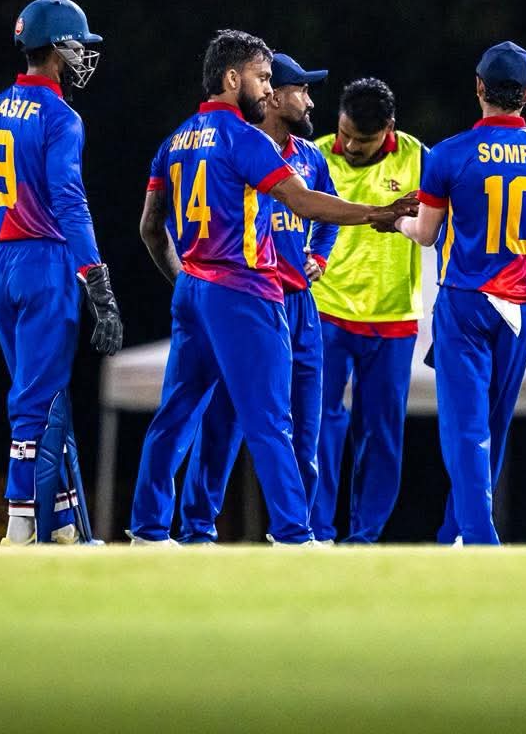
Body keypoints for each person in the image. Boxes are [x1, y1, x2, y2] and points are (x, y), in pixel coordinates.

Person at [132, 29, 414, 546]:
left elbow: (151, 228)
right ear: (231, 78)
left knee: (176, 415)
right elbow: (303, 202)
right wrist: (377, 212)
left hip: (197, 288)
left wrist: (185, 280)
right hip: (243, 290)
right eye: (262, 78)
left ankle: (149, 530)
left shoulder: (176, 139)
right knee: (268, 420)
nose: (267, 88)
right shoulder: (246, 139)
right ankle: (293, 532)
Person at [0, 0, 124, 545]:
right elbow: (69, 200)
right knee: (37, 401)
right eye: (78, 47)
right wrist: (97, 280)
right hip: (45, 262)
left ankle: (64, 523)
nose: (83, 58)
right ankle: (23, 523)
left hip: (0, 264)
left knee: (45, 393)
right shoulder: (61, 117)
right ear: (57, 49)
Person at [389, 41, 526, 545]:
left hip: (467, 297)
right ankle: (456, 533)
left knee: (465, 426)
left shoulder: (448, 154)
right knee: (495, 423)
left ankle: (479, 536)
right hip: (523, 301)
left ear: (479, 86)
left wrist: (395, 220)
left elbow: (426, 234)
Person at [177, 51, 339, 543]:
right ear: (274, 98)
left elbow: (327, 213)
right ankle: (197, 528)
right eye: (300, 90)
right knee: (223, 423)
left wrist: (320, 256)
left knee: (304, 433)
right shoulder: (239, 147)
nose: (309, 100)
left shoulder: (310, 157)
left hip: (299, 306)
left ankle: (295, 533)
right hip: (249, 299)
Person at [310, 78, 425, 544]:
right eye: (346, 134)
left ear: (389, 129)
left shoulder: (420, 159)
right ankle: (315, 533)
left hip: (393, 317)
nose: (352, 146)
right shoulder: (315, 155)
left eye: (365, 139)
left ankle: (364, 538)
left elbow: (446, 223)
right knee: (318, 425)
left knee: (382, 433)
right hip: (326, 310)